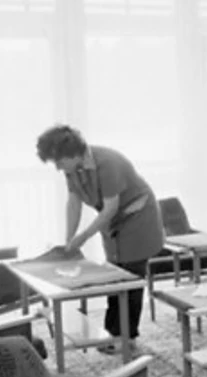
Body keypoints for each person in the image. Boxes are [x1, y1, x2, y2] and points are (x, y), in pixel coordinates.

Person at [36, 124, 165, 354]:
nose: (57, 167)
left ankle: (127, 338)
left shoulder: (108, 163)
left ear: (72, 154)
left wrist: (83, 237)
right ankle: (112, 333)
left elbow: (110, 207)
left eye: (58, 161)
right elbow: (74, 202)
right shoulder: (73, 169)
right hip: (113, 222)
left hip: (138, 218)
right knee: (114, 277)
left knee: (130, 278)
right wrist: (69, 239)